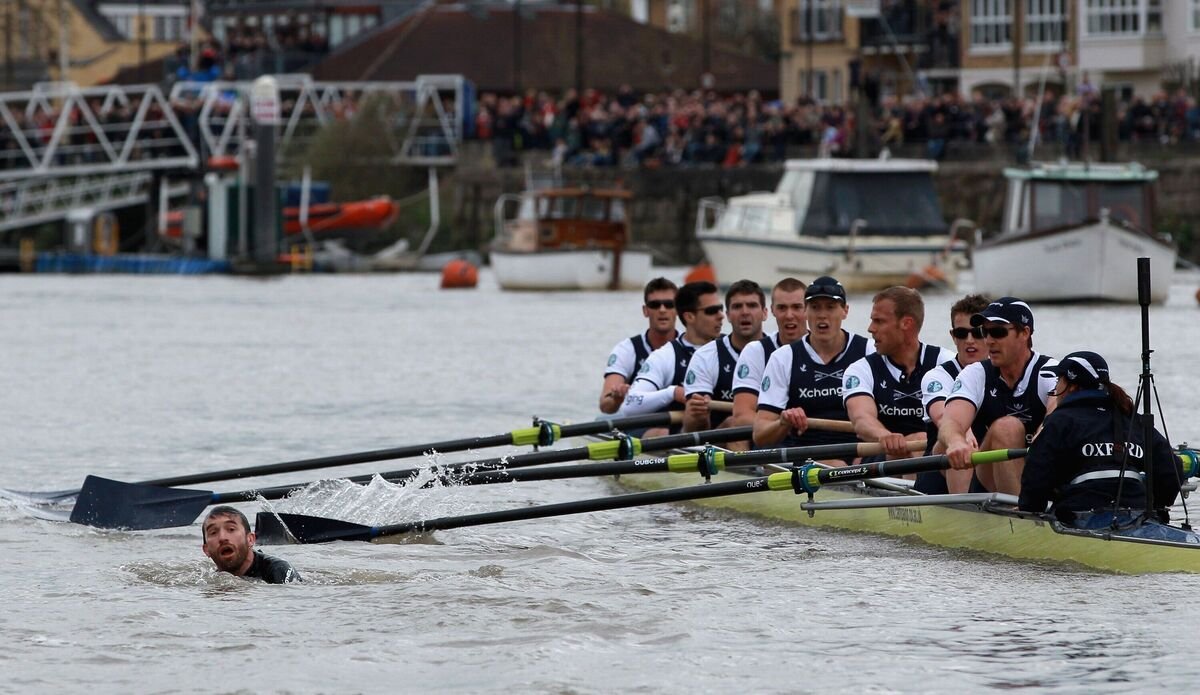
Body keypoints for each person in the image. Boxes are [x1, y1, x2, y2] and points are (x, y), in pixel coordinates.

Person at [1019, 351, 1185, 534]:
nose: (1056, 388)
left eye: (1059, 380)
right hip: (1138, 513)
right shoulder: (1131, 420)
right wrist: (1155, 507)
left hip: (1081, 514)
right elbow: (1172, 469)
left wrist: (1029, 514)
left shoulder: (1060, 420)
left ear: (1071, 386)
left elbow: (1036, 474)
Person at [939, 297, 1057, 496]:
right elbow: (950, 422)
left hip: (1040, 469)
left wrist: (1041, 435)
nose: (988, 340)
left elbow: (1057, 412)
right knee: (1006, 428)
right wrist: (956, 442)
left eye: (998, 332)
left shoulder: (1049, 371)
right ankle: (1019, 514)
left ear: (1024, 333)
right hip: (990, 475)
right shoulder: (976, 373)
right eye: (985, 332)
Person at [754, 276, 874, 451]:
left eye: (830, 307)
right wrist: (783, 422)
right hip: (808, 456)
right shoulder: (784, 358)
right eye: (815, 307)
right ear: (806, 312)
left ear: (845, 311)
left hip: (863, 453)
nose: (822, 315)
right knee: (835, 465)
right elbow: (760, 435)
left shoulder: (869, 351)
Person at [843, 287, 953, 463]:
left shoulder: (944, 361)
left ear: (906, 323)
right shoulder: (861, 369)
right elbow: (861, 419)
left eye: (879, 321)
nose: (871, 329)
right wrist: (885, 436)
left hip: (933, 454)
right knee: (910, 445)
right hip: (881, 455)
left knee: (918, 441)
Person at [619, 281, 724, 434]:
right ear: (689, 316)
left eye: (720, 309)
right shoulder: (665, 356)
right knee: (656, 434)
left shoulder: (735, 349)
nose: (721, 316)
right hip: (681, 436)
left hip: (726, 432)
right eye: (711, 311)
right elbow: (629, 405)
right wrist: (672, 393)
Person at [918, 293, 991, 493]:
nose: (969, 340)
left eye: (977, 333)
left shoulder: (1006, 373)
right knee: (958, 445)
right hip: (939, 471)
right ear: (953, 336)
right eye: (961, 333)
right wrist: (959, 434)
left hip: (986, 466)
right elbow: (942, 414)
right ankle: (965, 511)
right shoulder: (937, 376)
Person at [681, 279, 768, 440]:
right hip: (718, 443)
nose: (745, 312)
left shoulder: (780, 354)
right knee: (734, 422)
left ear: (765, 313)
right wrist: (696, 414)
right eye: (737, 307)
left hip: (770, 438)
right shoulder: (706, 356)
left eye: (752, 305)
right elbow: (693, 429)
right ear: (727, 315)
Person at [730, 278, 808, 439]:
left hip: (820, 439)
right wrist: (785, 424)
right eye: (782, 308)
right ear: (771, 310)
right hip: (776, 439)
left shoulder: (828, 348)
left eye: (796, 307)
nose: (789, 315)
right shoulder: (755, 351)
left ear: (808, 309)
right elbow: (742, 417)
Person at [599, 277, 678, 414]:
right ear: (645, 311)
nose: (662, 310)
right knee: (661, 432)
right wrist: (617, 398)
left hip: (681, 424)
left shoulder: (691, 348)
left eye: (669, 304)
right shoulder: (627, 350)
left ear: (678, 309)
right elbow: (605, 405)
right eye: (655, 305)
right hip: (640, 424)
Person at [202, 506, 300, 584]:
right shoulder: (208, 580)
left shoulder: (279, 570)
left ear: (250, 539)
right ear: (206, 550)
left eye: (231, 529)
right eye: (213, 532)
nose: (222, 538)